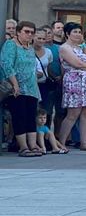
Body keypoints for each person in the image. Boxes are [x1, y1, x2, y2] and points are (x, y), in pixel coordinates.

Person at [56, 22, 86, 151]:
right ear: (67, 34)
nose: (78, 34)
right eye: (74, 32)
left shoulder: (80, 48)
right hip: (74, 82)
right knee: (73, 114)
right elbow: (77, 64)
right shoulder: (65, 48)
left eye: (79, 32)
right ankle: (61, 142)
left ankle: (84, 142)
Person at [3, 21, 44, 156]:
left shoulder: (30, 47)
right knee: (19, 116)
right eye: (26, 31)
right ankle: (23, 147)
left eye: (32, 32)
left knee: (30, 117)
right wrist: (15, 84)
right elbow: (6, 65)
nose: (29, 34)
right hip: (17, 87)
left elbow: (32, 69)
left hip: (31, 88)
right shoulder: (11, 45)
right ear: (18, 32)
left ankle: (33, 145)